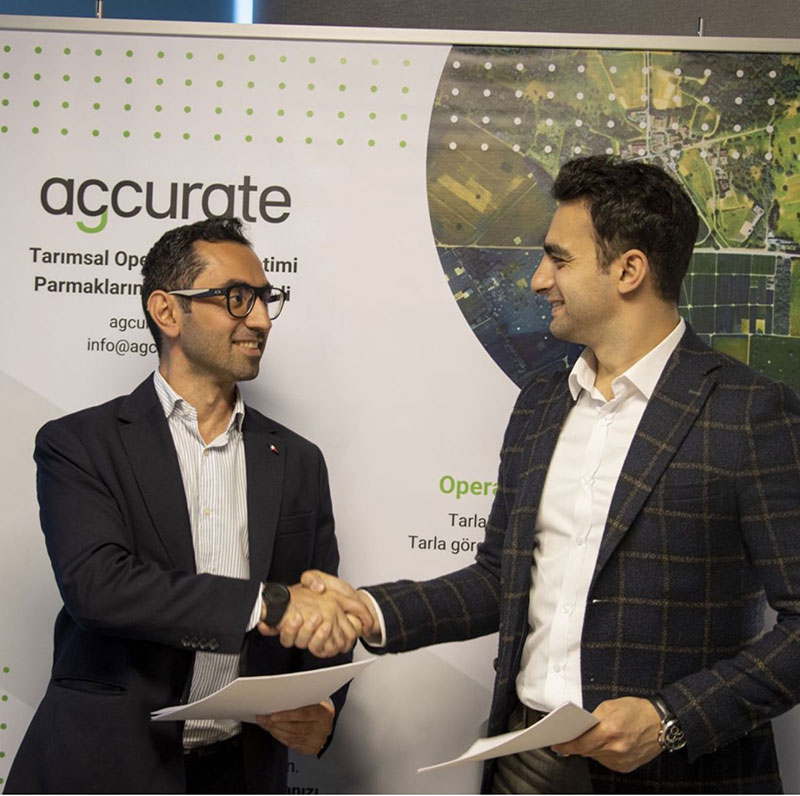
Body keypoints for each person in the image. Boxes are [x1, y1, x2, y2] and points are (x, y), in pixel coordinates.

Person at [290, 156, 800, 793]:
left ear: (629, 270)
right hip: (524, 761)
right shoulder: (539, 405)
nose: (538, 280)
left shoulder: (749, 413)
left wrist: (671, 719)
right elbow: (499, 579)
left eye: (558, 259)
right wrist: (369, 610)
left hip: (679, 775)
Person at [6, 217, 372, 794]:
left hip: (242, 772)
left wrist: (324, 704)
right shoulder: (79, 444)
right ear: (167, 311)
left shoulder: (298, 460)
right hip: (106, 768)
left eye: (265, 298)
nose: (261, 319)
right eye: (237, 298)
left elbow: (321, 605)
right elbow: (99, 588)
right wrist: (267, 603)